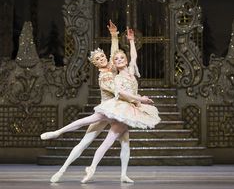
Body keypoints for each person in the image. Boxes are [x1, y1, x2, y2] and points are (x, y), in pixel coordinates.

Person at [41, 20, 133, 183]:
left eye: (102, 56)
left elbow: (113, 53)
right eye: (98, 58)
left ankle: (123, 174)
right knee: (85, 141)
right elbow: (116, 91)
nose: (102, 58)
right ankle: (62, 168)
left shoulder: (111, 67)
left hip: (117, 111)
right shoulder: (103, 76)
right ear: (96, 63)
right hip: (107, 110)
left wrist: (113, 36)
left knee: (125, 141)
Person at [80, 27, 161, 183]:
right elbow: (123, 94)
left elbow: (134, 56)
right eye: (116, 59)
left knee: (125, 143)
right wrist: (140, 99)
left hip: (132, 108)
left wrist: (131, 41)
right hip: (123, 108)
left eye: (122, 57)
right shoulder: (115, 78)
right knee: (108, 141)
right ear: (114, 64)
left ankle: (123, 174)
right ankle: (92, 167)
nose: (120, 60)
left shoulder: (130, 70)